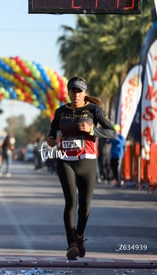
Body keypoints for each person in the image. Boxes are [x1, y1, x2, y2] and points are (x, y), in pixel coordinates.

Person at [46, 76, 116, 260]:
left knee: (85, 207)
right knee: (71, 202)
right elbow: (52, 135)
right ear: (68, 92)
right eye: (72, 91)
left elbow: (112, 132)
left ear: (85, 93)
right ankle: (71, 246)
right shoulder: (60, 112)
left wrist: (92, 130)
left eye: (79, 91)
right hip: (65, 161)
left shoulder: (94, 110)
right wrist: (51, 141)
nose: (76, 95)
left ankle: (78, 237)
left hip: (87, 161)